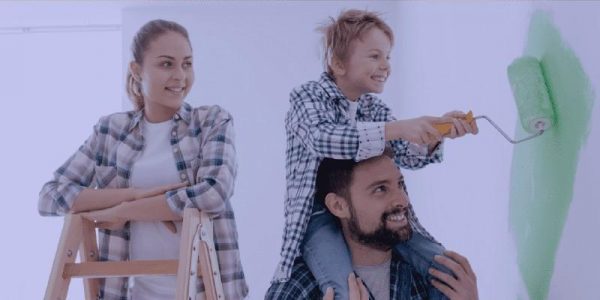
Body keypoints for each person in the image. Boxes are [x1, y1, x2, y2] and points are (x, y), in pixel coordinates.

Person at [272, 9, 478, 300]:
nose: (386, 66)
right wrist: (399, 128)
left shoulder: (374, 109)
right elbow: (325, 140)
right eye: (375, 56)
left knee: (448, 272)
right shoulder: (307, 97)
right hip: (317, 215)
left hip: (362, 211)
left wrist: (435, 133)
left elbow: (408, 155)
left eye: (388, 57)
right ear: (338, 64)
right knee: (344, 289)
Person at [38, 19, 248, 300]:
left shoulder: (211, 122)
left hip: (202, 290)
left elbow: (213, 193)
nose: (180, 76)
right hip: (130, 293)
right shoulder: (110, 131)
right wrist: (135, 195)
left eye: (187, 64)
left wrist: (123, 211)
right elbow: (50, 197)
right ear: (137, 71)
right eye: (166, 64)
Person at [266, 148, 478, 299]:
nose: (402, 200)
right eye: (380, 189)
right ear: (338, 206)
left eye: (400, 185)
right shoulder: (296, 288)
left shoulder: (429, 278)